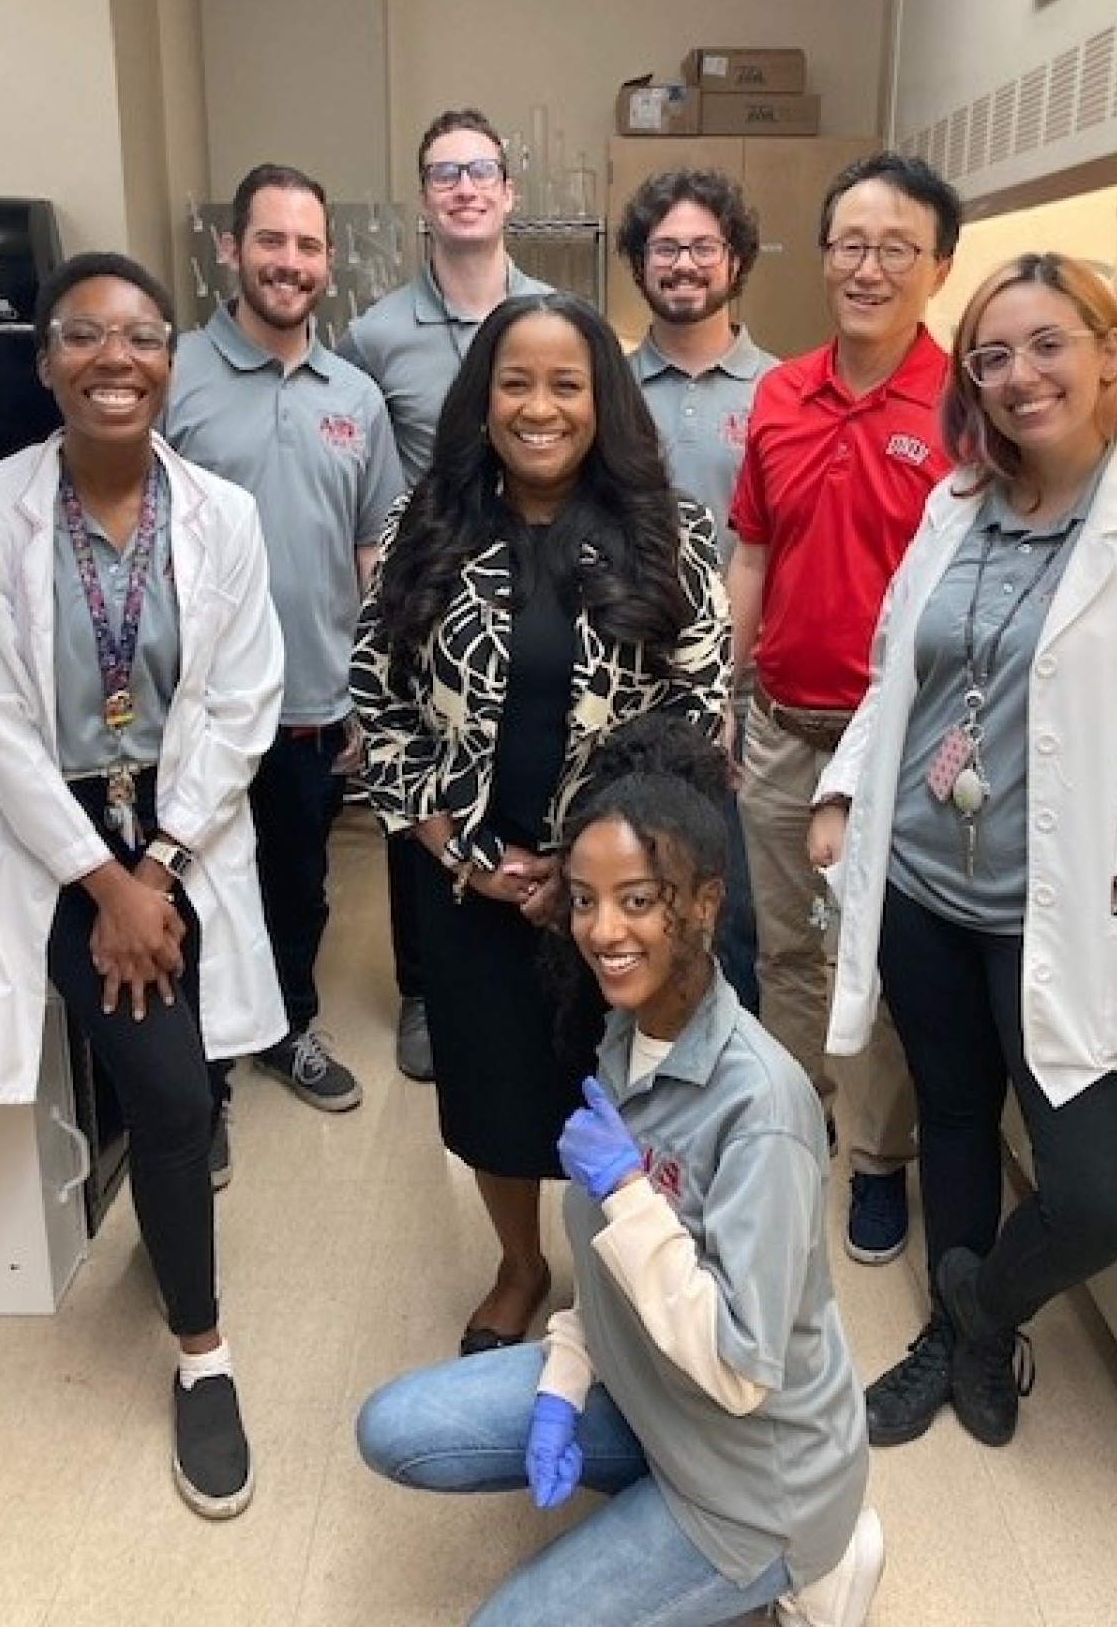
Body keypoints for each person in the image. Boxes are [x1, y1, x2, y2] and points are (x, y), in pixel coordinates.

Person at [812, 251, 1117, 1451]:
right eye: (991, 357)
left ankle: (979, 1303)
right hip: (922, 890)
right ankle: (964, 1347)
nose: (1018, 376)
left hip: (1057, 914)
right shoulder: (954, 508)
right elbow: (895, 675)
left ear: (1112, 350)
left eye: (1048, 344)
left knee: (1104, 1194)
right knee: (953, 1115)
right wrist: (847, 791)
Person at [356, 716, 881, 1627]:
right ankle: (644, 1467)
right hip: (653, 1393)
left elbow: (743, 1367)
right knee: (393, 1429)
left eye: (638, 900)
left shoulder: (762, 1107)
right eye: (586, 899)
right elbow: (609, 1271)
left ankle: (823, 1558)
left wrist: (631, 1195)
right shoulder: (622, 1039)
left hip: (753, 1482)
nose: (603, 930)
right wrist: (563, 1385)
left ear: (708, 903)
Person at [0, 251, 286, 1517]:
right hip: (59, 832)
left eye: (140, 337)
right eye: (84, 336)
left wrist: (159, 867)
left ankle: (173, 1244)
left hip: (180, 815)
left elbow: (241, 702)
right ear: (45, 363)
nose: (114, 359)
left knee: (180, 1080)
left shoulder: (223, 517)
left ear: (169, 364)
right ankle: (205, 1353)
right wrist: (107, 885)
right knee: (171, 1090)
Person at [351, 291, 730, 1356]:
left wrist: (593, 873)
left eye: (567, 384)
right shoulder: (421, 530)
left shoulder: (671, 535)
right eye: (516, 382)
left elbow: (697, 720)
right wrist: (462, 858)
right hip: (471, 882)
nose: (540, 407)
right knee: (494, 1090)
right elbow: (378, 705)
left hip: (627, 895)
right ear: (483, 399)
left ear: (602, 402)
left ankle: (632, 1277)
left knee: (629, 1093)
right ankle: (520, 1266)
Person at [729, 150, 962, 1264]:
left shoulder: (966, 409)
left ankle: (878, 1162)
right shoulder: (780, 391)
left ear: (938, 267)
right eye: (850, 245)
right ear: (824, 258)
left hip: (902, 752)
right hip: (778, 728)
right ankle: (793, 1120)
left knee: (874, 962)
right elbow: (753, 550)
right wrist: (727, 692)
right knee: (785, 953)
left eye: (896, 250)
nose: (868, 269)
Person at [165, 162, 403, 1127]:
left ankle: (287, 1026)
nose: (289, 262)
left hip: (311, 697)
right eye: (270, 240)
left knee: (297, 884)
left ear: (327, 261)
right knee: (187, 889)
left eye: (308, 245)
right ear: (232, 248)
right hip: (196, 704)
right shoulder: (172, 373)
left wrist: (364, 693)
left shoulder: (356, 394)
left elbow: (371, 553)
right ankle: (194, 1079)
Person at [343, 106, 550, 1083]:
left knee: (534, 774)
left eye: (480, 170)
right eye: (443, 173)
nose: (464, 186)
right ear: (424, 200)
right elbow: (363, 495)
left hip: (544, 590)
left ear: (508, 192)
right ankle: (425, 990)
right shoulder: (375, 336)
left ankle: (548, 941)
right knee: (417, 794)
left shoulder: (556, 318)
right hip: (430, 606)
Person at [616, 166, 778, 1016]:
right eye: (664, 247)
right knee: (631, 900)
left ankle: (733, 1079)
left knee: (737, 909)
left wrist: (724, 686)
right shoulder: (605, 390)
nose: (683, 264)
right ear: (640, 264)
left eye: (702, 247)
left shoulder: (780, 394)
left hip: (740, 700)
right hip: (623, 691)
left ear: (736, 260)